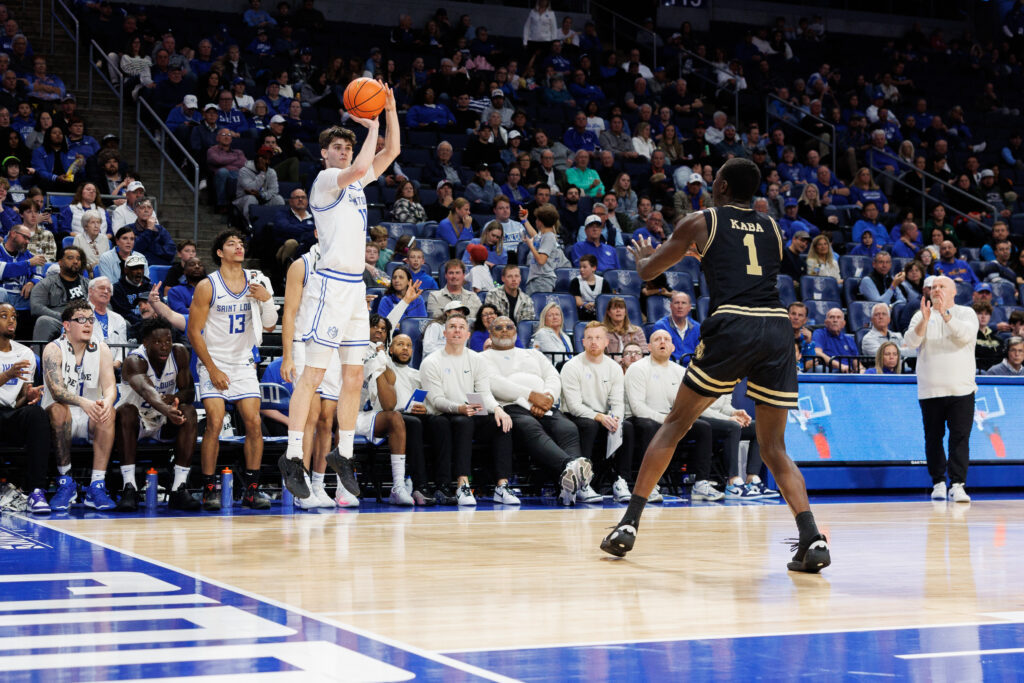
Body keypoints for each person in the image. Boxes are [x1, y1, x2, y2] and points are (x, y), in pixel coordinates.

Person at [601, 157, 830, 573]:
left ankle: (628, 525)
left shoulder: (700, 220)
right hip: (777, 328)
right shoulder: (774, 226)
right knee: (774, 446)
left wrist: (642, 261)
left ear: (720, 185)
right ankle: (812, 538)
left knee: (675, 424)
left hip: (734, 323)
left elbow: (651, 270)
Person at [279, 91, 401, 503]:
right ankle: (294, 455)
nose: (344, 151)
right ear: (325, 154)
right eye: (338, 146)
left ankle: (343, 452)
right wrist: (370, 127)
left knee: (353, 376)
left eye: (347, 146)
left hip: (355, 290)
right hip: (330, 285)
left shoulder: (357, 184)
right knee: (314, 376)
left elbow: (392, 151)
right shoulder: (326, 181)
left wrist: (389, 111)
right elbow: (367, 162)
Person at [188, 230, 278, 510]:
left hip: (242, 363)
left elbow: (271, 325)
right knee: (215, 421)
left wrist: (266, 299)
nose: (238, 247)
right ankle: (209, 488)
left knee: (253, 422)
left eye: (241, 243)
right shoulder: (208, 286)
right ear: (219, 252)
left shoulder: (257, 280)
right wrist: (212, 368)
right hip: (213, 360)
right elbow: (193, 331)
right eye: (231, 244)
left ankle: (251, 489)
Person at [482, 315, 593, 505]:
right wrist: (532, 396)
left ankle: (572, 485)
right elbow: (494, 383)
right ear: (490, 334)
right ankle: (571, 470)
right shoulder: (482, 357)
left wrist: (548, 397)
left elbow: (552, 376)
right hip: (511, 406)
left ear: (516, 332)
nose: (505, 330)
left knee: (567, 428)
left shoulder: (533, 354)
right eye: (499, 328)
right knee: (530, 425)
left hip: (544, 405)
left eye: (509, 326)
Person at [420, 312, 516, 505]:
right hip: (443, 415)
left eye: (462, 327)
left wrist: (497, 408)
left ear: (468, 334)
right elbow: (437, 400)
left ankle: (502, 485)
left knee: (502, 423)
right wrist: (459, 408)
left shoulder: (477, 359)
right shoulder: (431, 362)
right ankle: (463, 485)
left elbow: (484, 392)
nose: (457, 330)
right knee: (463, 422)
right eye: (453, 327)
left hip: (470, 412)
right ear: (444, 333)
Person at [277, 238, 342, 508]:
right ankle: (300, 487)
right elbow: (289, 313)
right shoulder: (302, 265)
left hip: (333, 346)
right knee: (310, 417)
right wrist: (288, 354)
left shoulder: (342, 265)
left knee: (327, 420)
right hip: (305, 344)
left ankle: (318, 484)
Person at [903, 275, 977, 503]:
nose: (936, 290)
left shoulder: (966, 313)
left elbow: (964, 336)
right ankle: (938, 483)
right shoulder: (921, 315)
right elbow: (909, 343)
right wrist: (925, 320)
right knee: (933, 438)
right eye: (933, 287)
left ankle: (957, 485)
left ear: (953, 291)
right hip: (930, 390)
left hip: (961, 389)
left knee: (960, 438)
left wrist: (945, 314)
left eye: (942, 286)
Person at [114, 318, 199, 511]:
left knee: (189, 411)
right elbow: (146, 391)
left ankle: (179, 488)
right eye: (158, 342)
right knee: (125, 412)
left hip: (162, 421)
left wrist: (175, 398)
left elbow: (189, 392)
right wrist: (165, 406)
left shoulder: (179, 353)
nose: (164, 347)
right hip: (136, 422)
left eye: (168, 341)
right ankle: (129, 487)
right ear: (145, 343)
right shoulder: (133, 361)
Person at [42, 299, 118, 512]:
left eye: (91, 320)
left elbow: (111, 386)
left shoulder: (101, 348)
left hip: (91, 415)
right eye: (81, 320)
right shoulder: (53, 349)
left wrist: (107, 401)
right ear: (66, 325)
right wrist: (84, 402)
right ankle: (66, 482)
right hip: (60, 417)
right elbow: (57, 392)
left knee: (108, 411)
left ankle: (97, 485)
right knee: (58, 410)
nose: (87, 324)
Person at [624, 329, 717, 503]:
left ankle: (700, 483)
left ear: (673, 347)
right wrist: (667, 420)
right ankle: (650, 487)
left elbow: (687, 403)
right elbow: (637, 408)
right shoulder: (638, 369)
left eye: (666, 339)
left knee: (702, 427)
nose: (662, 342)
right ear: (649, 346)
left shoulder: (680, 371)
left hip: (669, 420)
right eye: (657, 339)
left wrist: (685, 419)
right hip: (642, 420)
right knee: (649, 426)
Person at [560, 322, 634, 504]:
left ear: (606, 342)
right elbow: (574, 405)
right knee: (590, 425)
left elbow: (618, 402)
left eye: (598, 338)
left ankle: (620, 481)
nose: (594, 342)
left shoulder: (614, 367)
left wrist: (616, 419)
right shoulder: (572, 366)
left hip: (602, 416)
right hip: (575, 416)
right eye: (590, 338)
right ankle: (583, 484)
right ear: (583, 342)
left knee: (627, 427)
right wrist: (599, 417)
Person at [0, 302, 50, 513]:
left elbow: (19, 399)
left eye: (15, 316)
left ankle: (34, 491)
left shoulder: (25, 354)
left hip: (10, 413)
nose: (11, 320)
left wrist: (28, 396)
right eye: (4, 315)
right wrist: (7, 375)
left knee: (36, 414)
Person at [30, 246, 89, 341]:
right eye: (70, 258)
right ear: (60, 262)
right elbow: (36, 307)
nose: (75, 261)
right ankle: (39, 355)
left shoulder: (88, 284)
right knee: (43, 321)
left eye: (78, 259)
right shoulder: (46, 283)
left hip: (85, 320)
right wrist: (62, 316)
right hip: (59, 320)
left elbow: (104, 305)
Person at [523, 204, 567, 295]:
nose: (536, 221)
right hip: (538, 279)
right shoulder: (544, 236)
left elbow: (541, 260)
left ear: (540, 222)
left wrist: (530, 245)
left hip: (542, 280)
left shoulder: (549, 237)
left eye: (537, 219)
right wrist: (524, 220)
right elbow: (535, 236)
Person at [87, 276, 127, 368]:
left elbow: (123, 347)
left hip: (113, 369)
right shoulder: (79, 314)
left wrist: (116, 363)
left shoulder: (118, 319)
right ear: (90, 291)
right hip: (87, 366)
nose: (106, 291)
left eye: (109, 290)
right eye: (101, 288)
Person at [652, 291, 700, 363]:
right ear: (671, 306)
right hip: (668, 368)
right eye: (677, 303)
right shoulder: (660, 326)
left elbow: (700, 354)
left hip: (691, 369)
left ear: (689, 307)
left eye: (683, 303)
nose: (680, 306)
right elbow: (659, 354)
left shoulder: (697, 327)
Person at [570, 253, 612, 320]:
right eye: (580, 267)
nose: (581, 270)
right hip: (581, 315)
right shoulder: (575, 281)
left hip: (601, 315)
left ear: (594, 268)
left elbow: (607, 301)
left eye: (584, 267)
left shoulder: (603, 282)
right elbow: (577, 301)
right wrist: (585, 304)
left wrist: (596, 305)